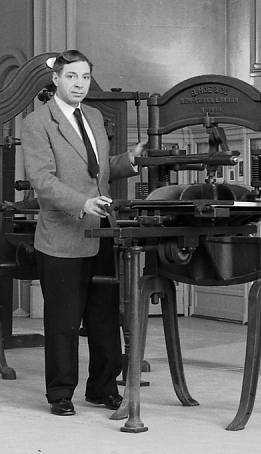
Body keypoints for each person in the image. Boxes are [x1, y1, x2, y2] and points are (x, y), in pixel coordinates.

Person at [21, 50, 147, 416]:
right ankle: (60, 394)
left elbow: (97, 170)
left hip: (101, 233)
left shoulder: (92, 116)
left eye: (85, 77)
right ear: (56, 79)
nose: (79, 84)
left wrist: (130, 161)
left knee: (105, 318)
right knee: (63, 320)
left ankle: (102, 388)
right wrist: (81, 204)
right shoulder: (37, 122)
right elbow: (42, 181)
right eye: (72, 77)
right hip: (62, 236)